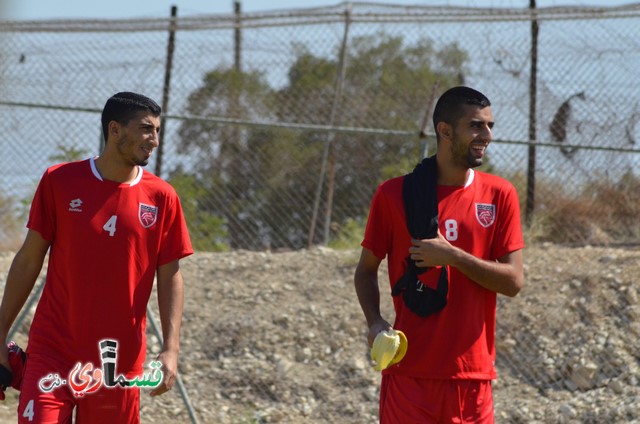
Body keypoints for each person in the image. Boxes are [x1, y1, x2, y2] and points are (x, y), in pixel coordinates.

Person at [0, 92, 194, 423]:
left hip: (117, 363)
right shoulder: (59, 181)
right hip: (53, 353)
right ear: (115, 129)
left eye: (158, 131)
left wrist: (171, 349)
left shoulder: (163, 197)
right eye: (146, 129)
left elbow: (170, 274)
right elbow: (29, 260)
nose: (155, 140)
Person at [354, 86, 525, 423]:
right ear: (445, 131)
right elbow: (365, 270)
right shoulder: (393, 195)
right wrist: (374, 321)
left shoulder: (500, 194)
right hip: (409, 375)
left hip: (472, 378)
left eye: (490, 126)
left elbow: (514, 282)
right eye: (476, 126)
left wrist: (455, 257)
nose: (486, 135)